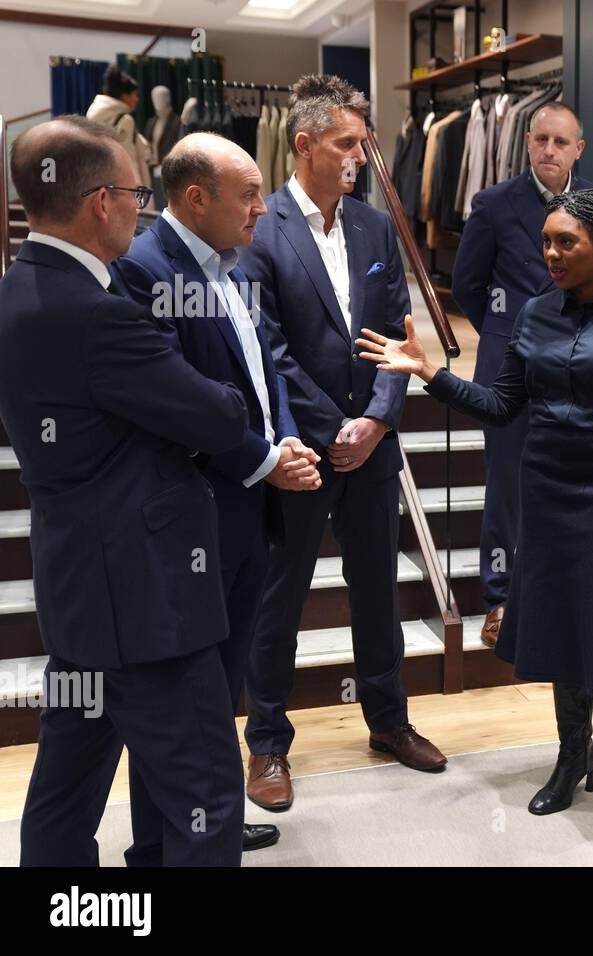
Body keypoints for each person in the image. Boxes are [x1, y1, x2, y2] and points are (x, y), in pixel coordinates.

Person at [356, 188, 593, 860]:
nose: (549, 253)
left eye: (565, 242)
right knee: (557, 625)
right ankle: (571, 758)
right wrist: (430, 373)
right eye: (545, 241)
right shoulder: (532, 313)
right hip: (544, 489)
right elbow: (499, 406)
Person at [0, 116, 249, 866]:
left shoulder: (15, 290)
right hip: (150, 604)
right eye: (137, 195)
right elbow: (221, 412)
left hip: (78, 587)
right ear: (100, 202)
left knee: (67, 786)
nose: (141, 211)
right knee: (205, 792)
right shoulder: (101, 316)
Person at [111, 132, 324, 856]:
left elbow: (265, 368)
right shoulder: (145, 272)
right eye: (249, 195)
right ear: (195, 198)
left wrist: (285, 438)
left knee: (219, 693)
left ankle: (208, 825)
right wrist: (264, 459)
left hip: (247, 516)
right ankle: (163, 849)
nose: (263, 209)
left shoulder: (232, 265)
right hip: (191, 524)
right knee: (181, 714)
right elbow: (174, 403)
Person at [239, 74, 447, 815]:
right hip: (301, 451)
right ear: (303, 145)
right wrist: (334, 430)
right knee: (280, 597)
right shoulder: (261, 228)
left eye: (361, 142)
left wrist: (382, 417)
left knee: (376, 590)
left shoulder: (373, 225)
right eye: (346, 144)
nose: (361, 156)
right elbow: (265, 347)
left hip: (374, 446)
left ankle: (388, 720)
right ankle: (266, 742)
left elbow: (398, 328)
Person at [451, 101, 593, 647]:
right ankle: (499, 598)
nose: (549, 151)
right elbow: (467, 285)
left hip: (579, 367)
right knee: (506, 486)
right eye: (541, 140)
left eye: (561, 142)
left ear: (577, 148)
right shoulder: (492, 204)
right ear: (527, 143)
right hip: (508, 371)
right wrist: (505, 326)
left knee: (569, 481)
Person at [86, 65, 154, 211]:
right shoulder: (124, 120)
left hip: (99, 181)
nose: (137, 99)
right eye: (135, 94)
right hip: (123, 186)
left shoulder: (94, 113)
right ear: (124, 96)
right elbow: (130, 159)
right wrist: (139, 196)